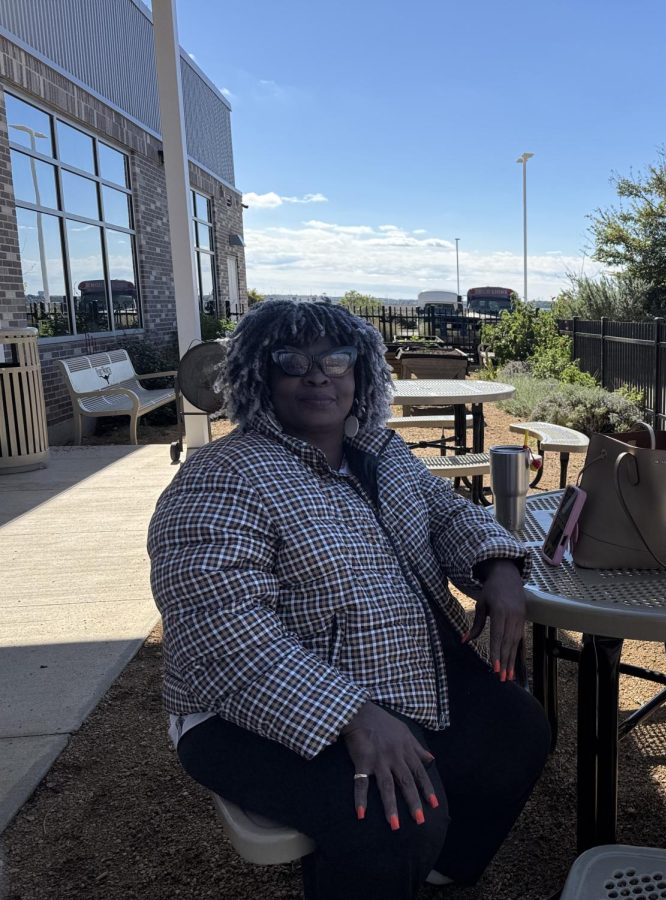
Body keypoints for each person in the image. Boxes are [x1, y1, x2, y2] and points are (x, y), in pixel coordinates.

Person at [148, 300, 550, 898]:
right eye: (292, 360)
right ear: (259, 374)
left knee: (518, 729)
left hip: (392, 674)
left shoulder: (377, 450)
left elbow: (445, 515)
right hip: (240, 711)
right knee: (399, 820)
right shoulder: (222, 476)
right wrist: (350, 715)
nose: (318, 375)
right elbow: (221, 631)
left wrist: (498, 565)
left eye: (336, 359)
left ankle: (439, 875)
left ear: (360, 371)